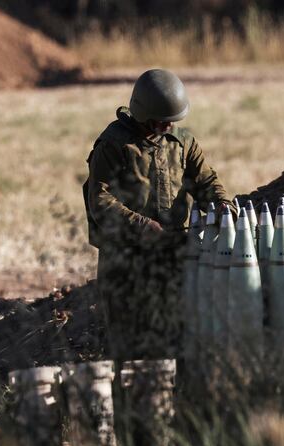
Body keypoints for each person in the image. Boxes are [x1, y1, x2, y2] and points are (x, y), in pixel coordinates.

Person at [84, 69, 235, 361]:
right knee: (130, 347)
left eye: (172, 121)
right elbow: (99, 201)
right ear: (143, 113)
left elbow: (205, 182)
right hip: (126, 262)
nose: (168, 126)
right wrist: (143, 227)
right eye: (162, 120)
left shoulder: (183, 143)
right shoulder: (114, 145)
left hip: (173, 259)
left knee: (176, 339)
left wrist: (222, 205)